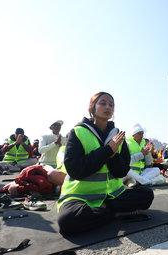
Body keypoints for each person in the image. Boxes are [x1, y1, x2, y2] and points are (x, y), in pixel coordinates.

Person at [57, 92, 154, 236]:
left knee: (147, 195)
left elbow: (122, 172)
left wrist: (113, 156)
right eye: (103, 103)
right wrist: (107, 151)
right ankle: (115, 213)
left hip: (112, 196)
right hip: (81, 196)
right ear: (92, 107)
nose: (108, 107)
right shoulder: (77, 132)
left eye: (111, 105)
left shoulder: (118, 135)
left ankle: (105, 210)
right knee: (67, 220)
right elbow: (75, 170)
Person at [122, 123, 166, 187]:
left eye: (142, 133)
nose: (141, 136)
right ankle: (150, 182)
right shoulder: (127, 143)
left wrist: (147, 153)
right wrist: (141, 154)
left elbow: (149, 162)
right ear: (133, 134)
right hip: (130, 172)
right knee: (128, 171)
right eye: (139, 133)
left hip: (141, 173)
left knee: (157, 170)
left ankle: (136, 181)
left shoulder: (143, 143)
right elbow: (127, 161)